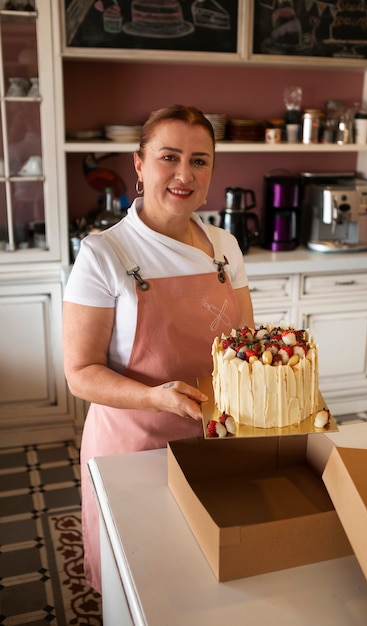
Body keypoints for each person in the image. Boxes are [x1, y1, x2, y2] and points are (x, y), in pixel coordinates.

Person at [62, 104, 255, 593]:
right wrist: (154, 397)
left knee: (202, 584)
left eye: (200, 160)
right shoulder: (105, 254)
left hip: (214, 440)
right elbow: (80, 372)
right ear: (140, 164)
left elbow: (245, 343)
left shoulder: (224, 246)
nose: (184, 174)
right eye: (169, 157)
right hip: (134, 449)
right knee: (140, 584)